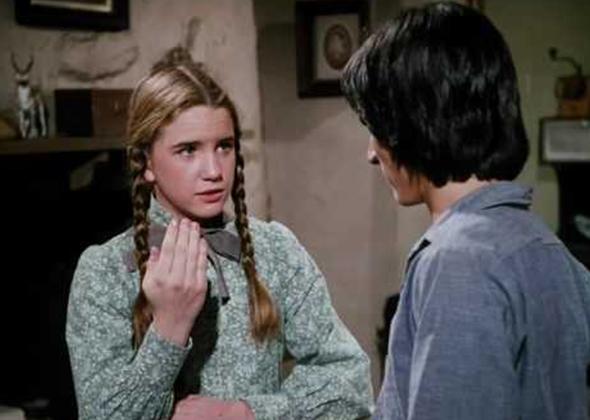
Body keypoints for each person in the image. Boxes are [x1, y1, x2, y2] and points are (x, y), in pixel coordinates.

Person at [66, 48, 373, 420]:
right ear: (146, 162)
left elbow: (351, 382)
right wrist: (170, 326)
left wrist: (245, 413)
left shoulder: (274, 250)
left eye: (224, 146)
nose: (213, 170)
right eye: (188, 150)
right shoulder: (105, 271)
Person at [341, 2, 590, 420]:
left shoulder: (457, 262)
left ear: (413, 123)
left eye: (377, 128)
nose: (371, 153)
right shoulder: (549, 249)